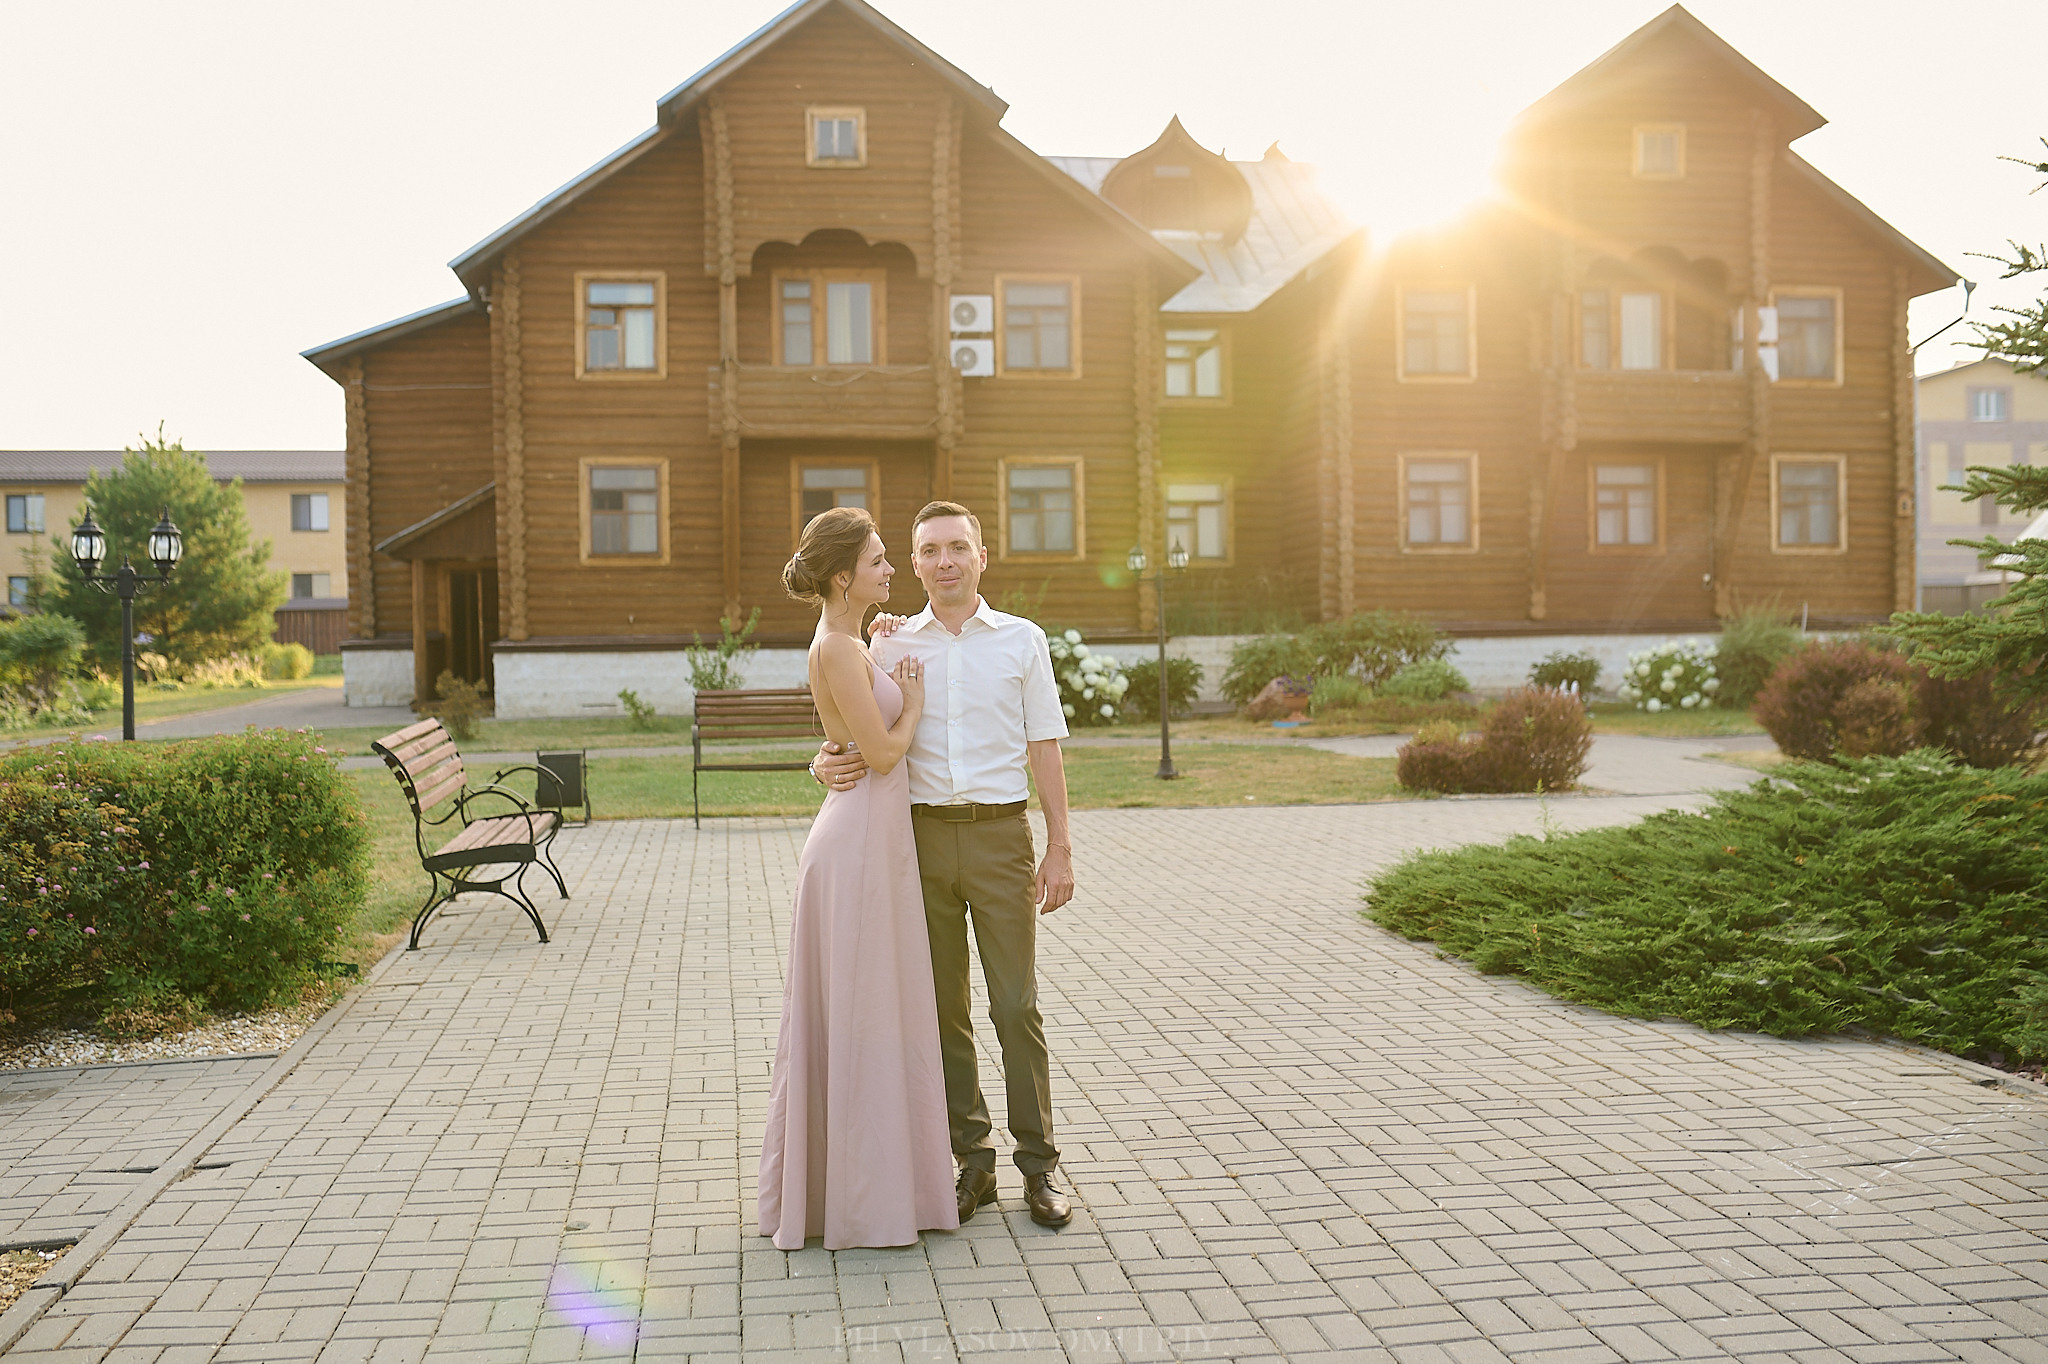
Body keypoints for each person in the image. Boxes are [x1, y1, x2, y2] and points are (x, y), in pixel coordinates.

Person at [811, 500, 1079, 1229]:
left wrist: (1059, 844)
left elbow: (1045, 743)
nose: (943, 561)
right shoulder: (888, 639)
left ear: (982, 556)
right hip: (916, 843)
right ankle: (972, 1163)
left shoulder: (1022, 641)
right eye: (928, 550)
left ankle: (1041, 1166)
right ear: (917, 560)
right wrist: (823, 759)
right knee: (940, 1013)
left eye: (958, 547)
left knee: (1016, 1005)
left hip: (999, 840)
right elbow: (846, 717)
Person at [757, 506, 958, 1250]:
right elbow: (879, 755)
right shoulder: (837, 647)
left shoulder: (846, 642)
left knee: (869, 1011)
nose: (890, 569)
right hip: (860, 845)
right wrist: (914, 705)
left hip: (867, 840)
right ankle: (863, 1199)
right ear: (844, 576)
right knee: (864, 1012)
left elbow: (843, 728)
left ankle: (862, 1187)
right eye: (878, 560)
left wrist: (880, 653)